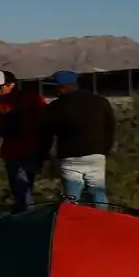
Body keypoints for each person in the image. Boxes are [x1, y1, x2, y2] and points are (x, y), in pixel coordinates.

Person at [40, 70, 115, 205]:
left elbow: (47, 134)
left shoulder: (55, 107)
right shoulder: (101, 101)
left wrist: (45, 156)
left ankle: (70, 223)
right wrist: (105, 150)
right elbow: (110, 127)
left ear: (60, 87)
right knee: (98, 193)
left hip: (70, 157)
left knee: (71, 197)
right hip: (96, 153)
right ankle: (103, 223)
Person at [0, 70, 46, 211]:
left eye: (1, 87)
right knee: (19, 187)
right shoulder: (1, 103)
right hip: (13, 150)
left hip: (27, 148)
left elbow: (44, 120)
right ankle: (24, 214)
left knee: (23, 187)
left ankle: (27, 218)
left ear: (11, 85)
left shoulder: (29, 99)